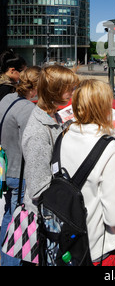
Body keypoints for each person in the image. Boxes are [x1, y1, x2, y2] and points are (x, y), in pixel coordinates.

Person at [60, 79, 115, 266]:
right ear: (104, 107)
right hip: (94, 249)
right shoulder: (108, 146)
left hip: (65, 240)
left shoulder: (64, 134)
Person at [21, 65, 79, 238]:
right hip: (43, 224)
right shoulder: (38, 132)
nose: (73, 92)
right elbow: (38, 189)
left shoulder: (52, 116)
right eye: (69, 89)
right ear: (55, 91)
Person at [0, 66, 41, 266]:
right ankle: (10, 261)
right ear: (35, 86)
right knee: (17, 221)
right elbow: (31, 143)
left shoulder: (7, 99)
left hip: (6, 168)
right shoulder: (28, 109)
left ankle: (3, 255)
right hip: (19, 171)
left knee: (9, 213)